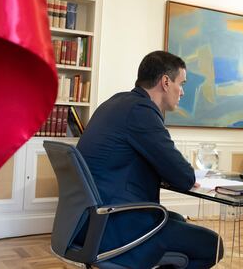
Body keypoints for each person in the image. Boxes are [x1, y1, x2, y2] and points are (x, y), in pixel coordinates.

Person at [77, 51, 223, 269]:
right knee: (214, 245)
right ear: (165, 81)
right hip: (117, 229)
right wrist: (178, 173)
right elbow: (183, 176)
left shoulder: (116, 103)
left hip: (90, 223)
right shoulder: (141, 111)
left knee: (177, 220)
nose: (182, 92)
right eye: (181, 83)